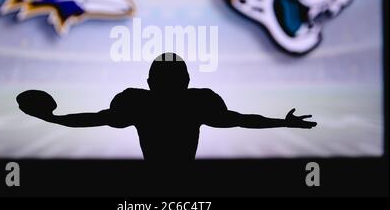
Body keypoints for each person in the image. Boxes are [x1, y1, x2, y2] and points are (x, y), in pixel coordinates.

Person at [17, 52, 316, 161]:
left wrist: (53, 118)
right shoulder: (198, 101)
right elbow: (240, 119)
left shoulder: (137, 102)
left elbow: (93, 119)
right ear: (187, 79)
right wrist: (283, 122)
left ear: (149, 81)